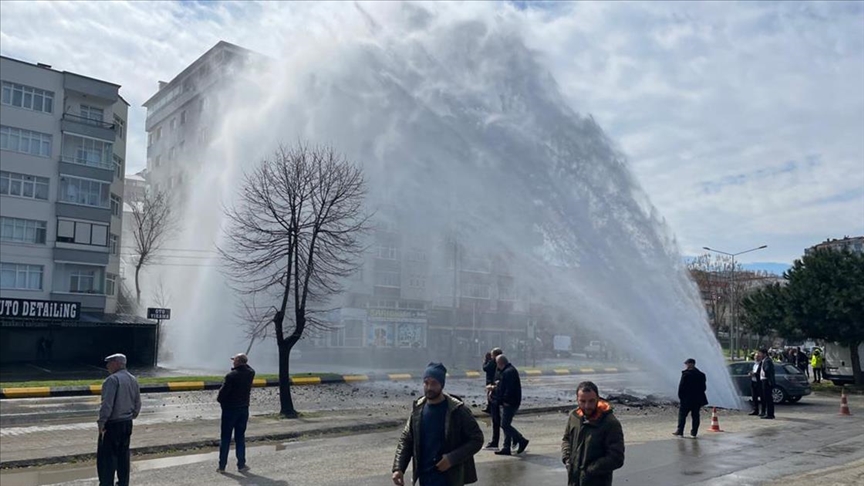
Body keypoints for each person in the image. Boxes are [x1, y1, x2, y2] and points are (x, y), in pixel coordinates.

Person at [392, 362, 484, 486]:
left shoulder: (457, 410)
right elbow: (407, 439)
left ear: (442, 384)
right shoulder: (418, 409)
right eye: (426, 382)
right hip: (425, 478)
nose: (429, 387)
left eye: (434, 383)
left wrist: (452, 459)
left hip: (449, 479)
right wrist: (399, 468)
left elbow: (477, 439)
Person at [561, 381, 625, 486]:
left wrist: (590, 470)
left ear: (598, 399)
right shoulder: (574, 417)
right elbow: (566, 439)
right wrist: (567, 458)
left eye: (591, 401)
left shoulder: (610, 423)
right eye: (582, 401)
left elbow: (616, 458)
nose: (587, 406)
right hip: (574, 481)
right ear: (577, 399)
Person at [97, 353, 141, 486]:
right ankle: (123, 483)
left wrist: (102, 422)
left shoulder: (112, 380)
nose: (107, 366)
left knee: (108, 458)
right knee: (123, 456)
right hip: (127, 422)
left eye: (109, 363)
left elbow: (107, 404)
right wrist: (132, 416)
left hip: (113, 423)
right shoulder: (133, 379)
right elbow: (137, 403)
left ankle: (106, 483)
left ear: (117, 363)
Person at [217, 353, 255, 473]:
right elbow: (249, 368)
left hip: (230, 410)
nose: (233, 362)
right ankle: (241, 464)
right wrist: (243, 361)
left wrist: (220, 400)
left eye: (234, 360)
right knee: (240, 437)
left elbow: (222, 395)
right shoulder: (250, 373)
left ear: (238, 362)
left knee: (226, 438)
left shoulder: (231, 376)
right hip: (243, 409)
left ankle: (222, 466)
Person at [493, 355, 529, 455]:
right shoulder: (506, 371)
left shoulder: (509, 372)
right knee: (505, 424)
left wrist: (503, 400)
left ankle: (521, 440)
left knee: (504, 425)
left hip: (510, 402)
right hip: (509, 402)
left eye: (497, 363)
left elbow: (509, 389)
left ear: (500, 363)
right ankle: (506, 447)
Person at [673, 358, 708, 438]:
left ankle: (680, 431)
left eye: (687, 364)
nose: (686, 365)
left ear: (691, 364)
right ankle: (694, 432)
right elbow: (704, 388)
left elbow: (681, 387)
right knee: (695, 416)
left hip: (687, 399)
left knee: (682, 415)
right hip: (698, 399)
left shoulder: (686, 374)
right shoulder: (701, 375)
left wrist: (681, 397)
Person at [483, 347, 503, 446]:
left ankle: (518, 439)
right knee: (499, 423)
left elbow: (500, 384)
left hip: (499, 400)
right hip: (496, 398)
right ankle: (496, 442)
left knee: (503, 424)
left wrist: (492, 388)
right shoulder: (500, 368)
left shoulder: (501, 368)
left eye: (492, 355)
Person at [758, 347, 776, 419]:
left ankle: (770, 414)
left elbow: (767, 369)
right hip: (764, 380)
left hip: (767, 381)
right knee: (765, 397)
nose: (759, 355)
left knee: (768, 398)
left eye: (760, 353)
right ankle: (766, 413)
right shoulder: (764, 360)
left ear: (764, 354)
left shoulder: (767, 361)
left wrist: (765, 373)